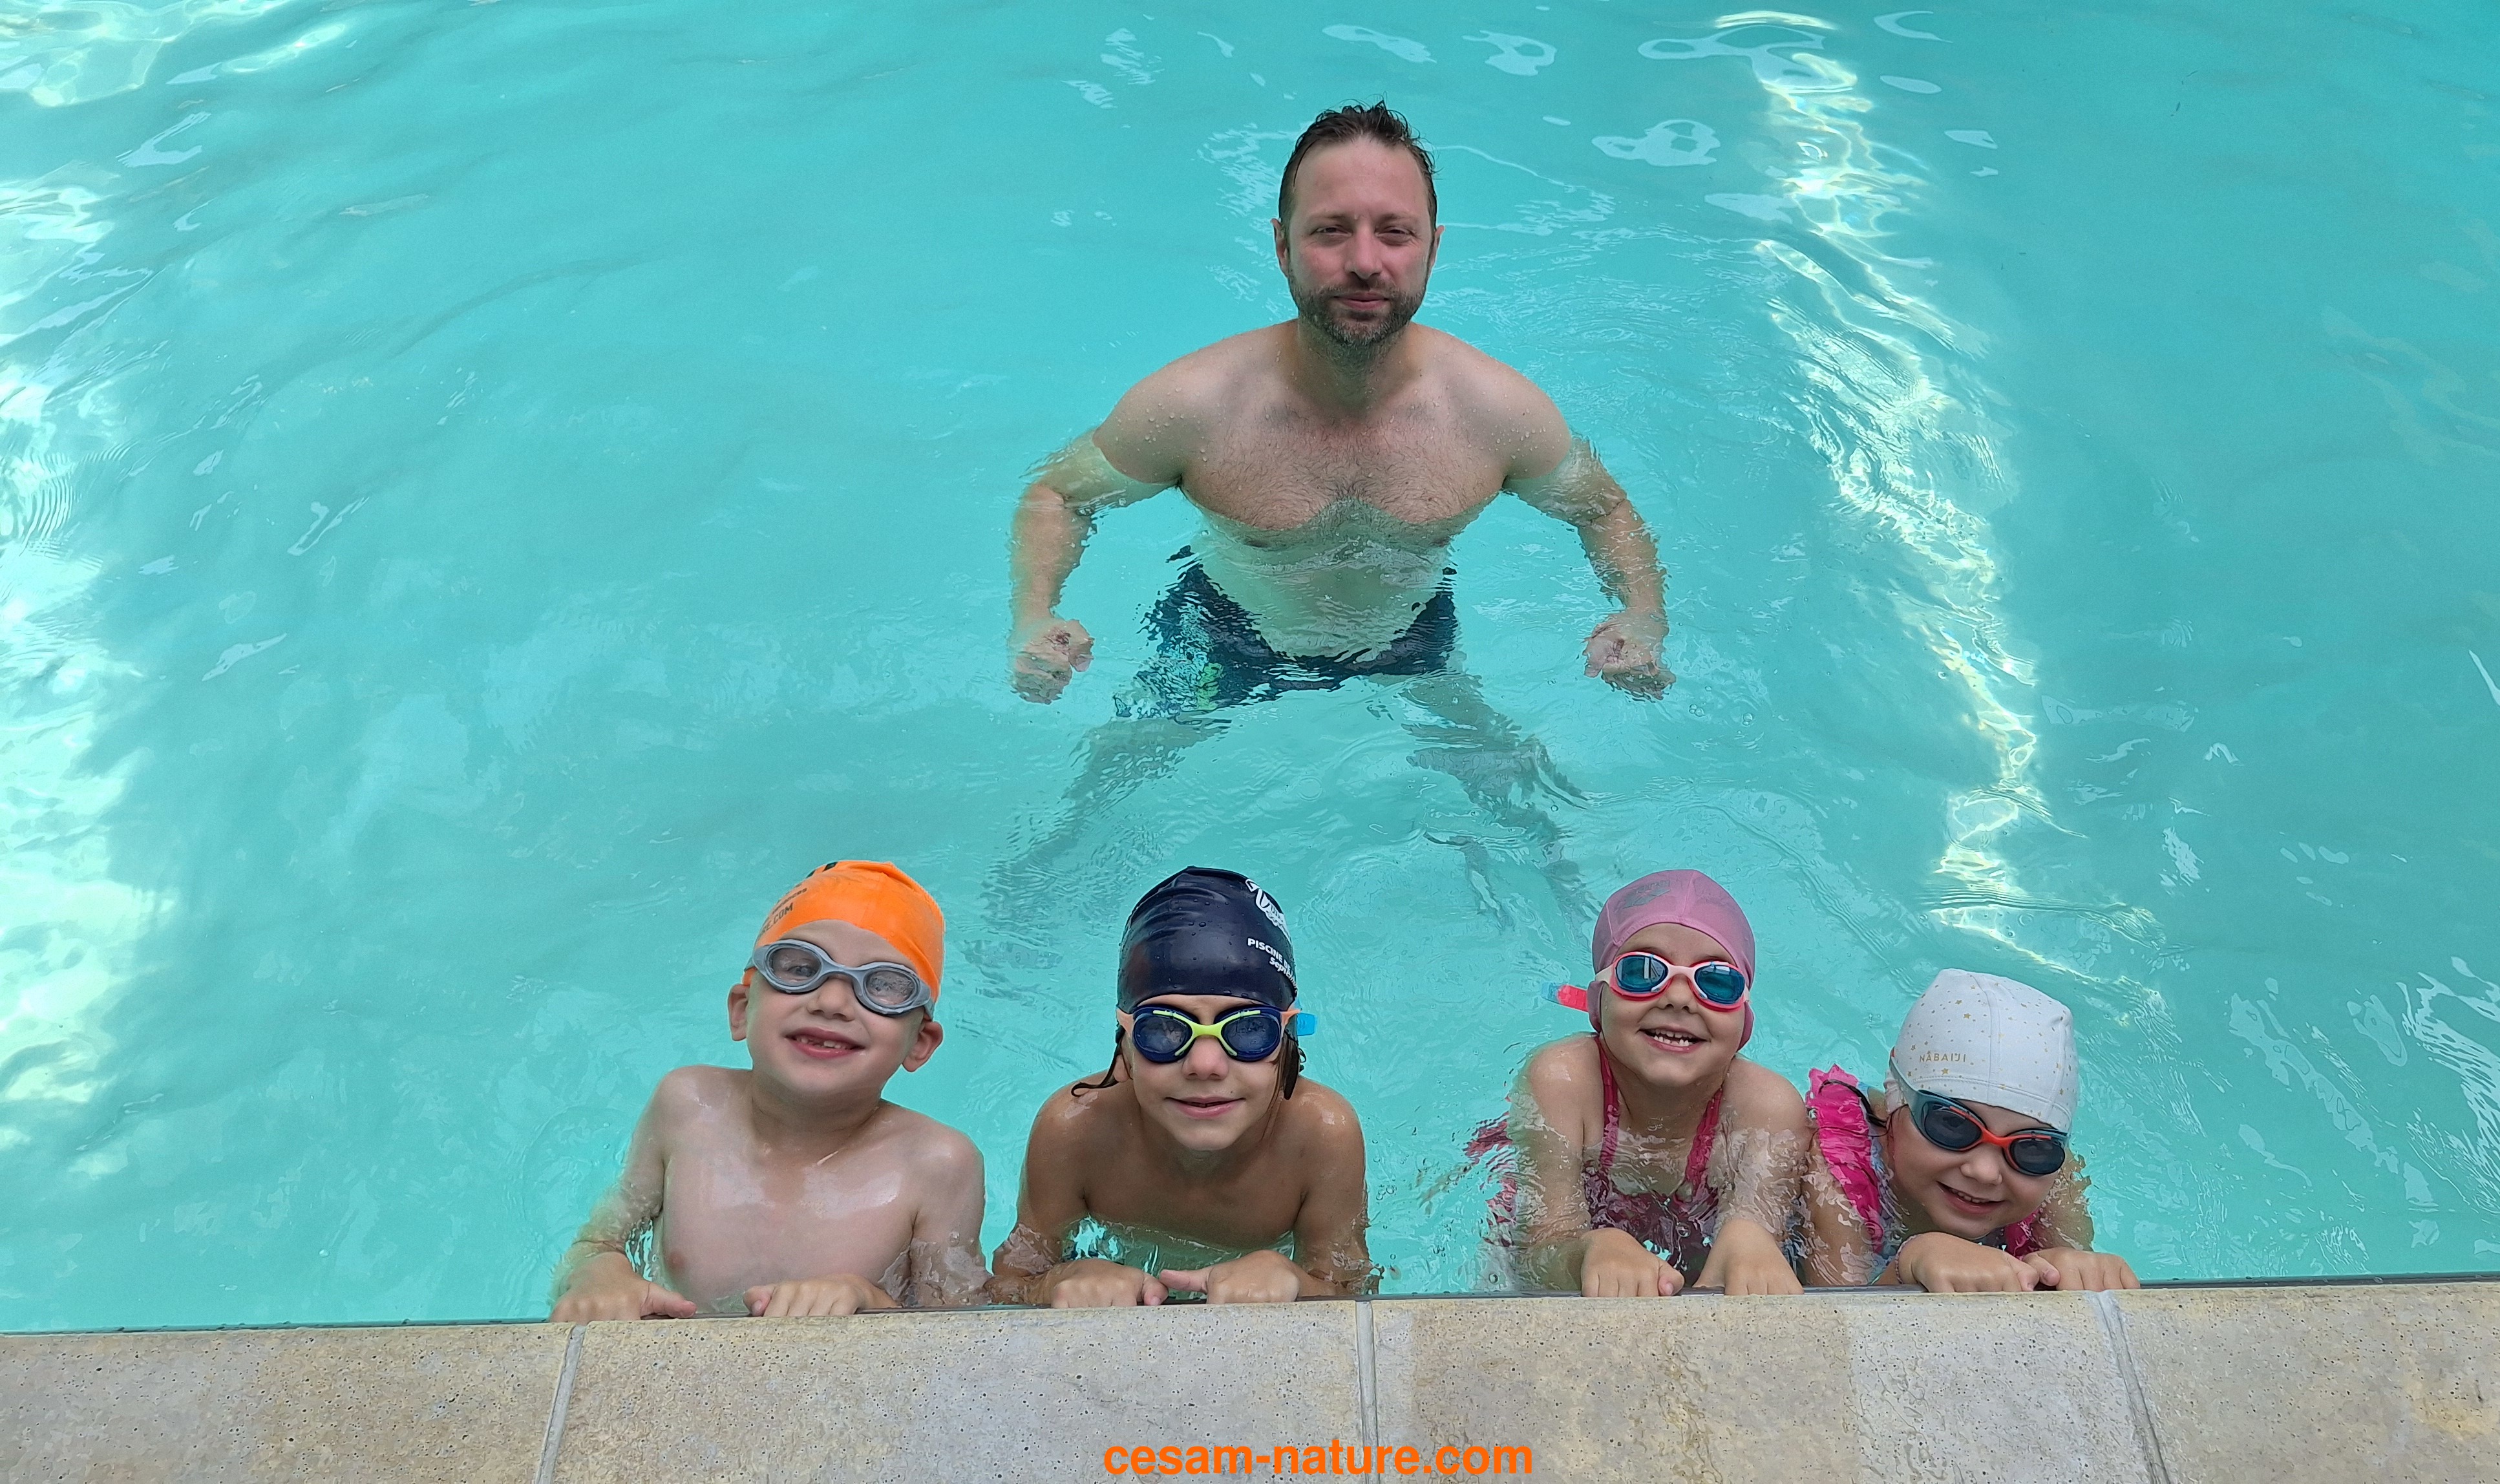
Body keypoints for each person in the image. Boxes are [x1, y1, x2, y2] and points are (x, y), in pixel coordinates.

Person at [984, 103, 1664, 964]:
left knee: (1528, 793)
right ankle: (1024, 920)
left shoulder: (1495, 413)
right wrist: (1034, 615)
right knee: (1108, 776)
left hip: (1412, 634)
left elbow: (1605, 509)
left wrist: (1641, 616)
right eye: (1331, 231)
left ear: (1433, 248)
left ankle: (1584, 939)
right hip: (1223, 630)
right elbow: (1057, 493)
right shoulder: (1196, 407)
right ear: (1282, 246)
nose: (1365, 262)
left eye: (1394, 232)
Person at [548, 861, 988, 1319]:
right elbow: (597, 1242)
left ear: (920, 1044)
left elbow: (963, 1330)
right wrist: (597, 1274)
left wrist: (868, 1298)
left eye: (885, 987)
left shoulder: (937, 1164)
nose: (832, 1003)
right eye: (799, 968)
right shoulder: (687, 1106)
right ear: (741, 1010)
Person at [988, 867, 1371, 1305]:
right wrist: (1060, 1279)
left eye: (1248, 1030)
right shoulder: (1076, 1129)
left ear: (1287, 1040)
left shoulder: (1321, 1135)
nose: (1205, 1065)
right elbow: (1010, 1283)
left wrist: (1296, 1281)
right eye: (1165, 1030)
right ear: (1125, 1047)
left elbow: (1352, 1291)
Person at [1472, 870, 1812, 1297]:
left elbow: (1757, 1258)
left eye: (1716, 981)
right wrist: (1587, 1251)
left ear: (1744, 1021)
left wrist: (1751, 1239)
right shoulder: (1563, 1081)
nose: (1679, 999)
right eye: (1643, 972)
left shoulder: (1768, 1108)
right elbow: (1539, 1254)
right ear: (1599, 1001)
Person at [1798, 969, 2139, 1293]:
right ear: (1894, 1100)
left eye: (2031, 1146)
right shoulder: (1838, 1164)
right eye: (1953, 1125)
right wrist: (1908, 1265)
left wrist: (2070, 1271)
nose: (1985, 1172)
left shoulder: (2049, 1177)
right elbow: (1832, 1321)